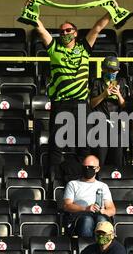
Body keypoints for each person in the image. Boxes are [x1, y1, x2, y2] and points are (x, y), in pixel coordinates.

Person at [34, 11, 113, 168]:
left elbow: (97, 27)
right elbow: (41, 31)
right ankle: (54, 181)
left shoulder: (84, 47)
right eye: (62, 31)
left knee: (84, 144)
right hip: (60, 103)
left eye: (68, 30)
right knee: (56, 144)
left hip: (81, 104)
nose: (64, 33)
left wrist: (110, 12)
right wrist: (33, 13)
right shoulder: (54, 48)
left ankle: (80, 177)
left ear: (75, 33)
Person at [63, 155, 116, 237]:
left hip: (99, 215)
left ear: (97, 169)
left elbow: (112, 209)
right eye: (85, 167)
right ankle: (86, 247)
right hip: (79, 216)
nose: (87, 169)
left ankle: (102, 247)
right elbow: (67, 206)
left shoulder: (103, 186)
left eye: (90, 167)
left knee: (101, 220)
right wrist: (86, 209)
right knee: (87, 220)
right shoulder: (73, 184)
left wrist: (103, 211)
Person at [90, 56, 127, 166]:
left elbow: (124, 105)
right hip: (100, 125)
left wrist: (119, 94)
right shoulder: (97, 82)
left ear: (118, 71)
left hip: (117, 126)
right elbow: (92, 104)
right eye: (109, 70)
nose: (112, 72)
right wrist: (103, 95)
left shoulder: (121, 82)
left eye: (114, 70)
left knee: (117, 158)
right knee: (100, 158)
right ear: (103, 69)